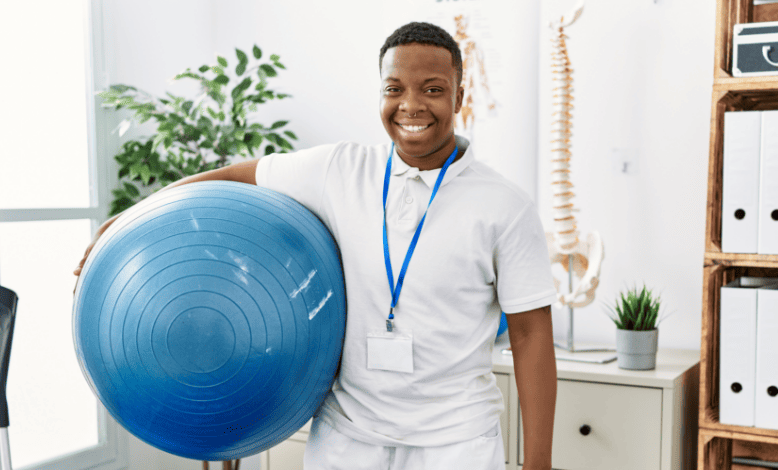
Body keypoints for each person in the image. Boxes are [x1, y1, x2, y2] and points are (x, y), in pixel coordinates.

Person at [75, 21, 557, 470]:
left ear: (459, 96)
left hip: (457, 442)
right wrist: (130, 217)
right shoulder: (339, 170)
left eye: (432, 89)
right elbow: (236, 176)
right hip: (348, 438)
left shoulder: (504, 205)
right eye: (395, 89)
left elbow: (531, 337)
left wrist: (537, 463)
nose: (411, 105)